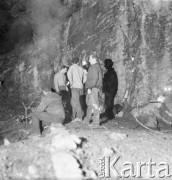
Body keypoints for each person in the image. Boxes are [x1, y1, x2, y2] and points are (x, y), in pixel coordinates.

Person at [83, 53, 103, 127]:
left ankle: (96, 122)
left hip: (93, 88)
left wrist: (89, 87)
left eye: (90, 59)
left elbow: (94, 79)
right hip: (93, 87)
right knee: (90, 105)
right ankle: (87, 120)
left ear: (94, 59)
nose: (89, 60)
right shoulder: (96, 67)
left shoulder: (94, 67)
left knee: (94, 105)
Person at [67, 57, 86, 122]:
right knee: (73, 102)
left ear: (72, 62)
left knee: (76, 102)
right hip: (80, 87)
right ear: (78, 62)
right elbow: (85, 77)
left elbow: (69, 74)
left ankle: (79, 117)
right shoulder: (81, 68)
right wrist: (81, 82)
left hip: (74, 87)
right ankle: (73, 116)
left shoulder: (72, 67)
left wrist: (71, 82)